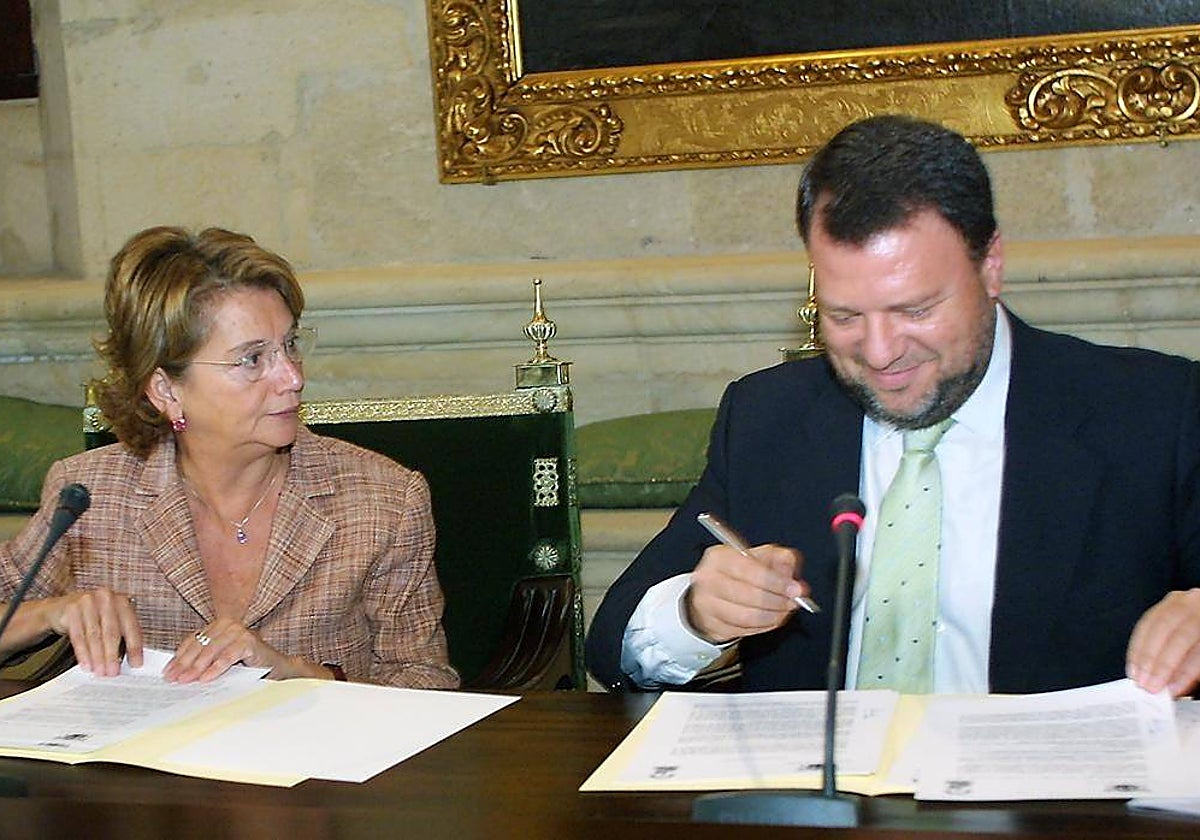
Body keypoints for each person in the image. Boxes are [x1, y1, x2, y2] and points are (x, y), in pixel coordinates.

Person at [585, 114, 1200, 698]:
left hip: (1051, 800)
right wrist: (697, 614)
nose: (879, 354)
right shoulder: (769, 416)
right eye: (845, 315)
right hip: (815, 796)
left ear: (991, 266)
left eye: (915, 310)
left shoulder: (1152, 413)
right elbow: (615, 644)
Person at [0, 226, 459, 689]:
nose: (292, 377)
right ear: (166, 390)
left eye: (290, 345)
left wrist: (297, 674)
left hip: (313, 759)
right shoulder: (90, 495)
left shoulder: (383, 499)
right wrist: (51, 613)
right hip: (146, 760)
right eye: (252, 360)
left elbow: (427, 681)